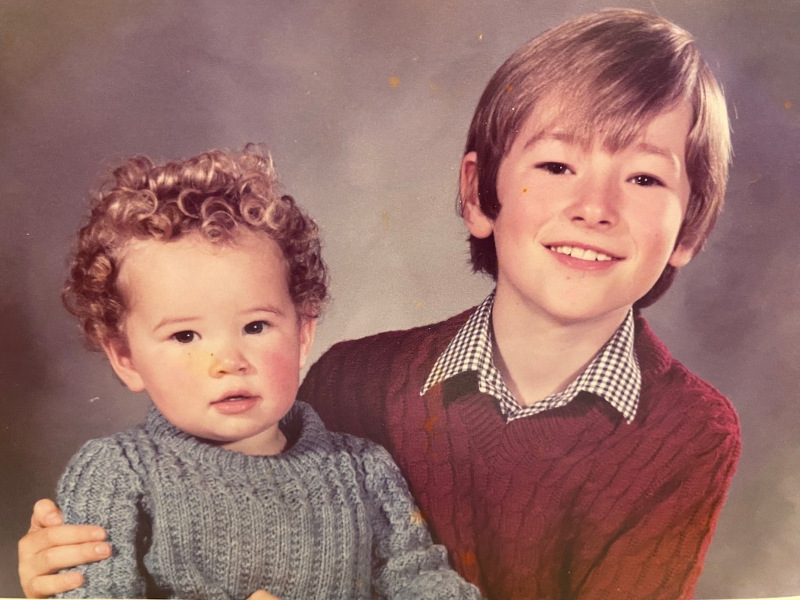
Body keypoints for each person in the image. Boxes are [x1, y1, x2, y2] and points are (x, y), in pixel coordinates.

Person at [18, 8, 741, 600]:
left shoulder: (688, 432)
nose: (594, 207)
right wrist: (56, 576)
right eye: (556, 166)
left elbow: (413, 574)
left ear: (692, 226)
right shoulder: (354, 380)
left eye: (644, 179)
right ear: (476, 193)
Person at [24, 146, 481, 600]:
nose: (228, 361)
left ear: (302, 334)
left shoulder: (363, 469)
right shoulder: (118, 473)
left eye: (255, 326)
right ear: (125, 357)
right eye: (185, 336)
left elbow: (421, 579)